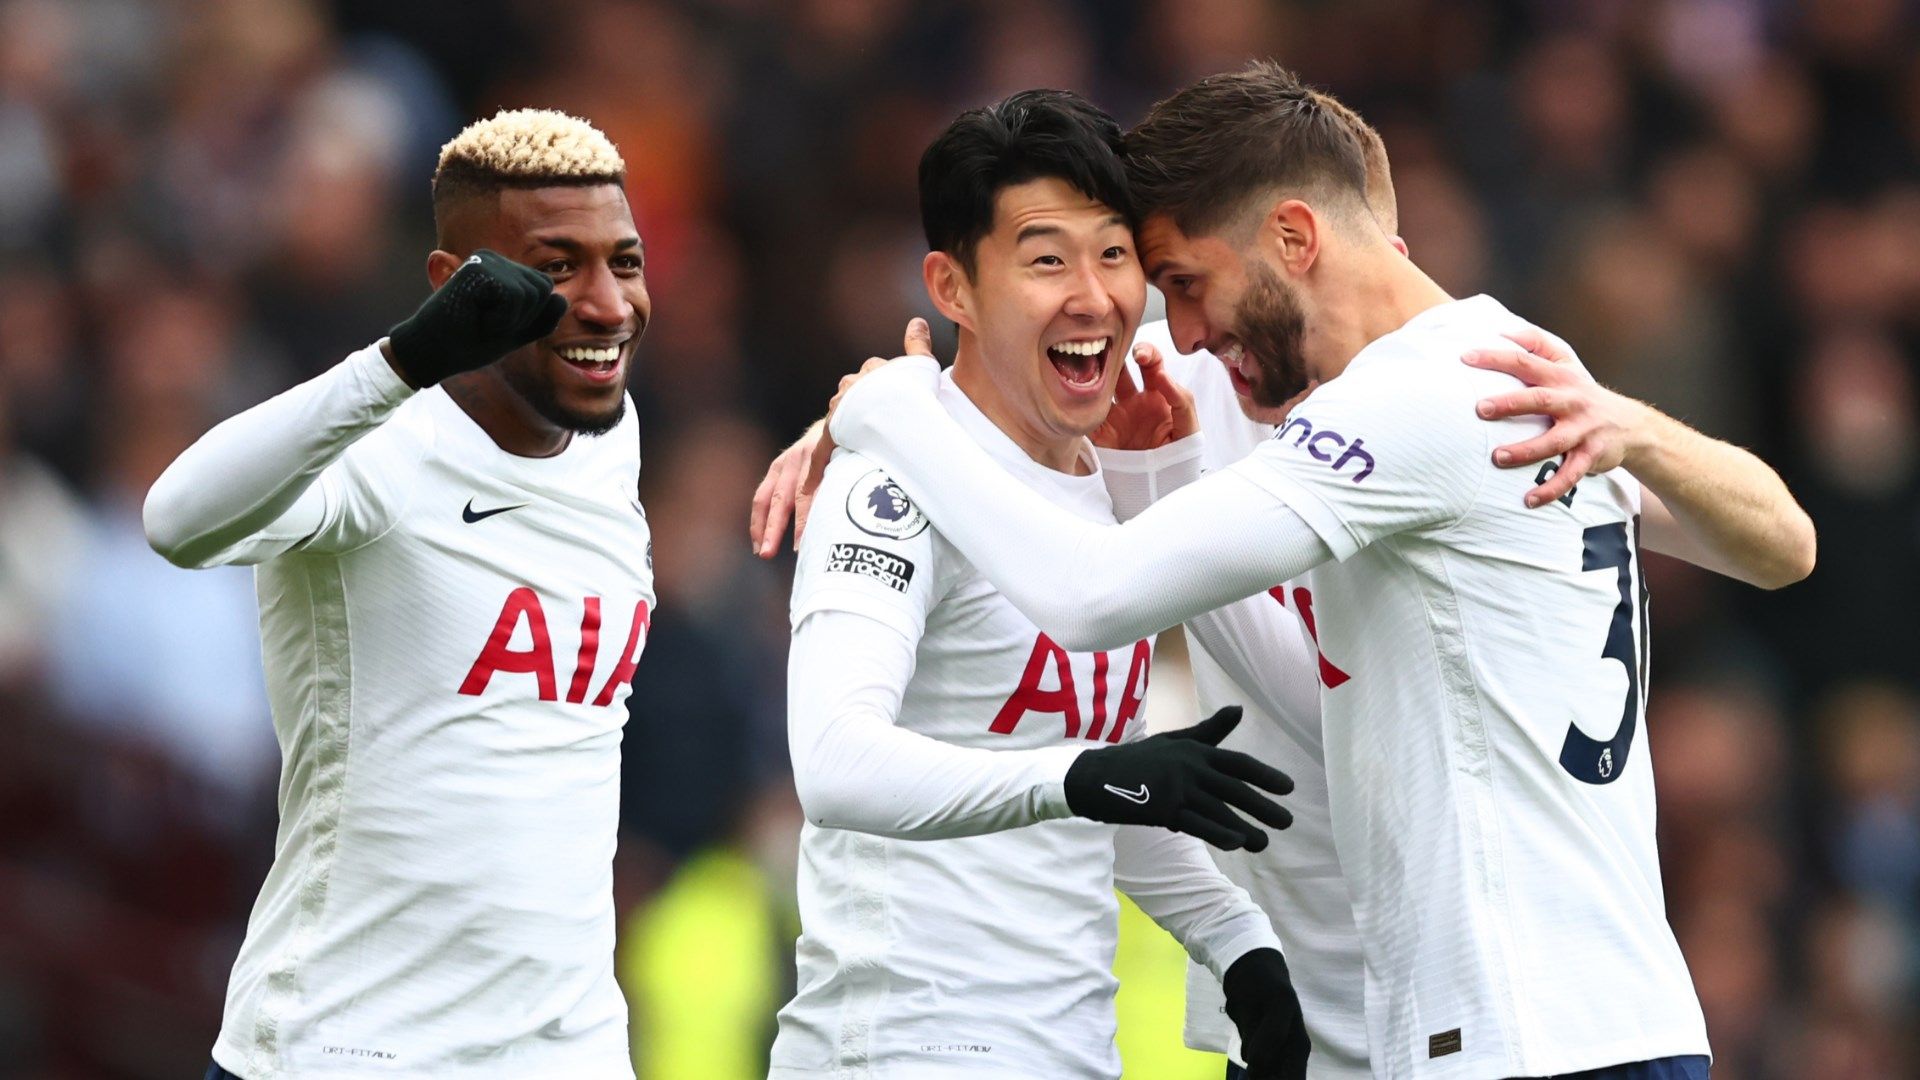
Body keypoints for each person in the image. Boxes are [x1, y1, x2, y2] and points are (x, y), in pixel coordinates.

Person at [824, 63, 1815, 1080]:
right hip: (1610, 1019)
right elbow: (1785, 544)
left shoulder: (1397, 408)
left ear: (1294, 238)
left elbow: (1091, 595)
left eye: (1188, 286)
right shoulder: (1522, 368)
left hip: (1514, 1036)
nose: (1192, 335)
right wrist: (1636, 427)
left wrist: (891, 417)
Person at [771, 90, 1311, 1080]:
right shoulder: (890, 481)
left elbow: (1087, 777)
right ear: (954, 287)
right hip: (903, 1049)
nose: (1092, 294)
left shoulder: (1110, 483)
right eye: (1046, 258)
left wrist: (1239, 944)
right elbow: (836, 762)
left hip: (1068, 1050)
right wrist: (1084, 777)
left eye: (1112, 255)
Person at [145, 109, 654, 1080]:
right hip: (350, 1050)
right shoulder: (380, 454)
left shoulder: (612, 440)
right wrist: (402, 363)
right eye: (556, 268)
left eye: (623, 262)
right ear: (454, 288)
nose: (606, 302)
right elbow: (175, 520)